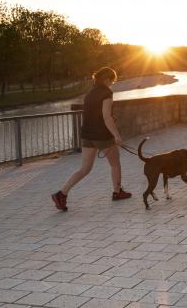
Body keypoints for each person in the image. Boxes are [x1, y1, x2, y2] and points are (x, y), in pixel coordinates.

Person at [51, 67, 131, 211]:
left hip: (87, 134)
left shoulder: (89, 93)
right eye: (112, 80)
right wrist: (117, 135)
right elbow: (106, 117)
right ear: (106, 79)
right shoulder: (107, 93)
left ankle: (61, 194)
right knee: (115, 164)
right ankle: (117, 192)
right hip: (102, 135)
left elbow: (95, 114)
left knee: (84, 169)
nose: (112, 83)